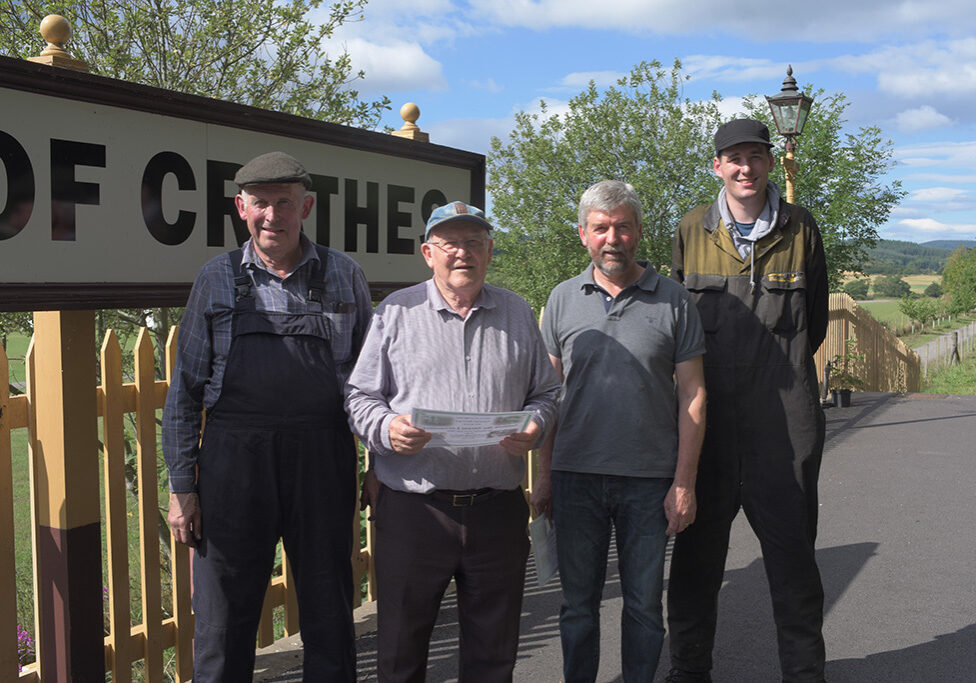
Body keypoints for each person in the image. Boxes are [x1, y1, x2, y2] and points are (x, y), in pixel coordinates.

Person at [162, 151, 372, 681]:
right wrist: (182, 487)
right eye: (260, 203)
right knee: (222, 615)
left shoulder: (344, 275)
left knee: (328, 604)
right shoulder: (216, 278)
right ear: (241, 207)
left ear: (307, 207)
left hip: (322, 459)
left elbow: (373, 385)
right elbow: (184, 393)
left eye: (284, 203)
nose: (272, 215)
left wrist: (382, 468)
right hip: (233, 463)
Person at [345, 200, 560, 682]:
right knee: (401, 654)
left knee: (493, 655)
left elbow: (546, 393)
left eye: (473, 243)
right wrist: (386, 429)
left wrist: (536, 425)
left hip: (496, 512)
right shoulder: (396, 312)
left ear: (488, 251)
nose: (461, 253)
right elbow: (359, 396)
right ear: (428, 252)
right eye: (450, 243)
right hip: (414, 511)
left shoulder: (517, 312)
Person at [666, 119, 829, 683]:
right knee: (694, 566)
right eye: (733, 158)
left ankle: (804, 675)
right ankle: (689, 673)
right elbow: (677, 332)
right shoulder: (690, 229)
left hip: (785, 428)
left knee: (794, 567)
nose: (746, 168)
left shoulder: (801, 228)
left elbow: (816, 324)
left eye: (755, 157)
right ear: (717, 166)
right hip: (706, 430)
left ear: (767, 162)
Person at [531, 180, 707, 682]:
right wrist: (544, 475)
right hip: (575, 478)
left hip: (648, 481)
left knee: (645, 609)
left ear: (638, 232)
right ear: (583, 234)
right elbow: (551, 396)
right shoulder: (562, 299)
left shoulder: (674, 300)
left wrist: (684, 483)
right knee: (577, 608)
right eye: (601, 228)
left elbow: (693, 395)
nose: (613, 238)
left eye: (623, 227)